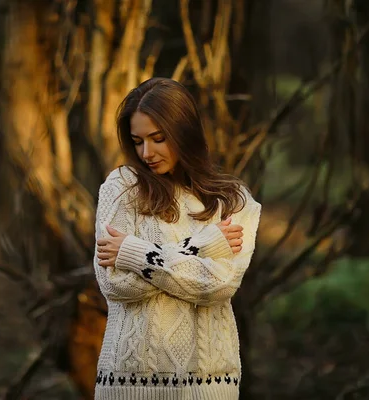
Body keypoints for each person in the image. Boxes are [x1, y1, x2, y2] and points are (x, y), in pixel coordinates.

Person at [93, 77, 262, 400]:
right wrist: (202, 245)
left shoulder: (235, 200)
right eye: (138, 140)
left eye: (158, 138)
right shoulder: (122, 187)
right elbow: (114, 284)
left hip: (208, 386)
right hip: (127, 384)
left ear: (184, 131)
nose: (147, 153)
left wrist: (134, 253)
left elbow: (219, 285)